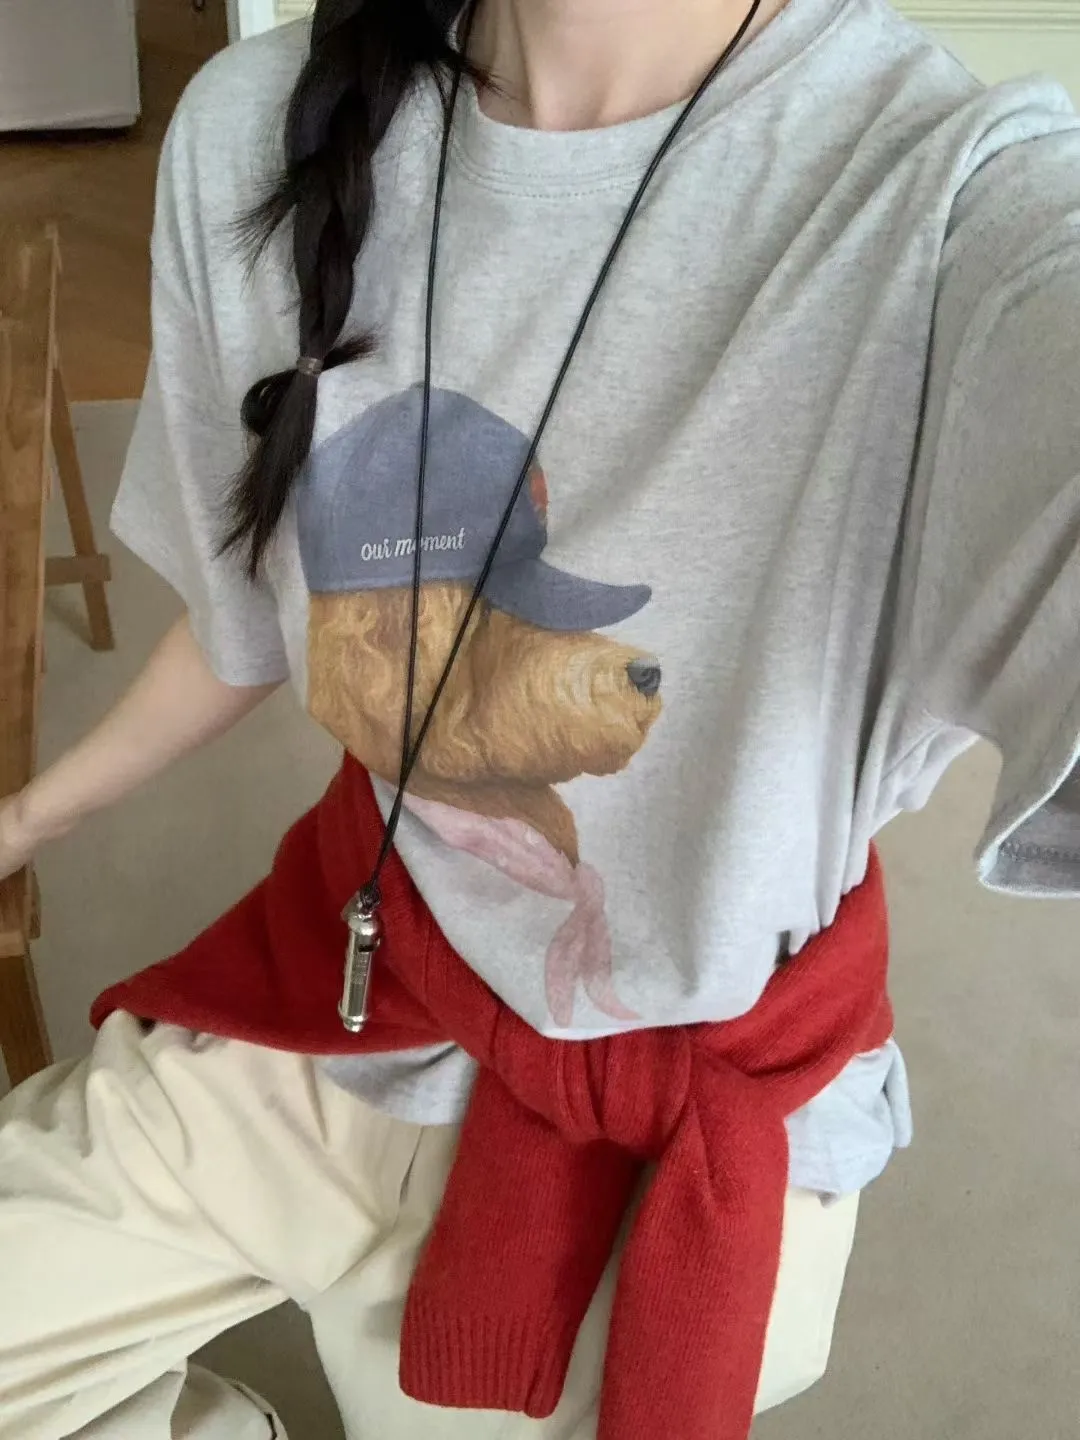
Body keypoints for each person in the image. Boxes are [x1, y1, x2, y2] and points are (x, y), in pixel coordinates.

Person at [2, 0, 1079, 1435]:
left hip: (680, 1134)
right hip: (353, 986)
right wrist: (27, 818)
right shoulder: (262, 133)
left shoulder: (959, 203)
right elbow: (251, 625)